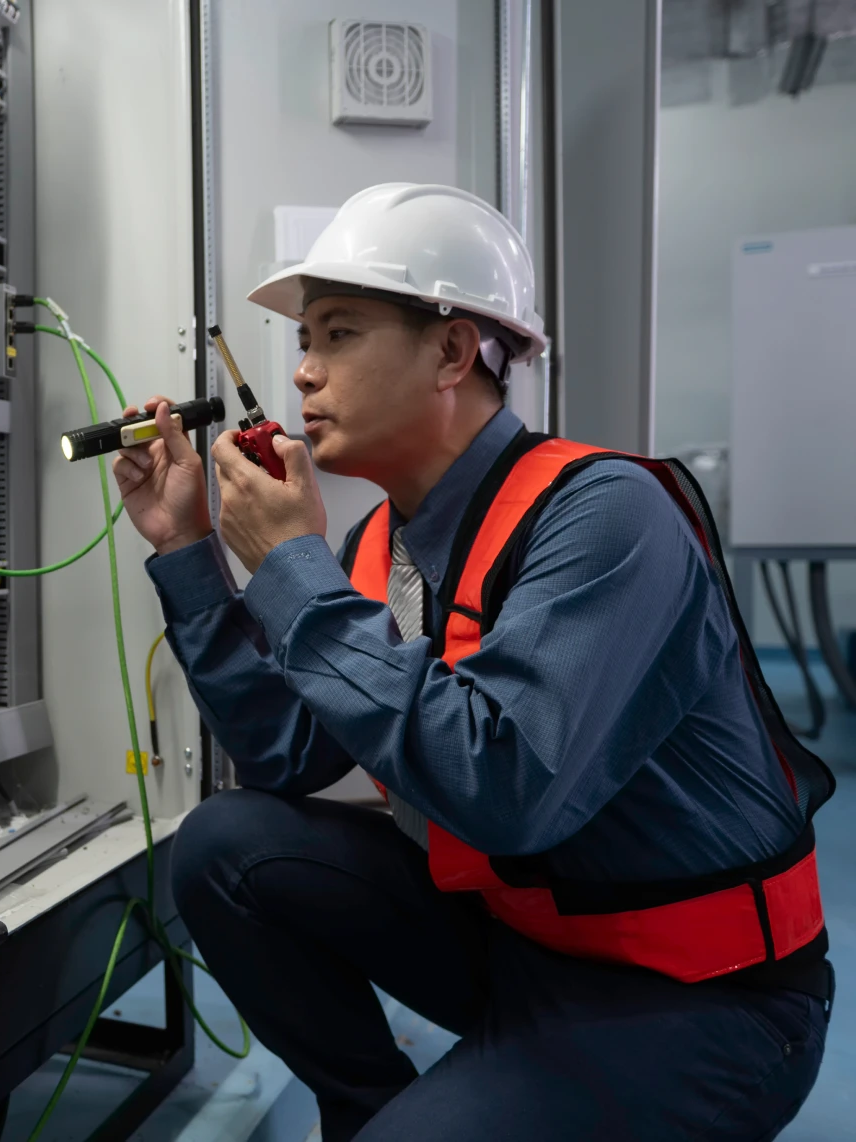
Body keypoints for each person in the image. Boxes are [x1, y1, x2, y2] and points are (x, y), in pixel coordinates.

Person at [112, 183, 834, 1141]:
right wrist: (185, 553)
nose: (303, 377)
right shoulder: (382, 545)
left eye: (338, 334)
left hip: (704, 999)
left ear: (453, 351)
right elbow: (289, 754)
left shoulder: (606, 513)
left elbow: (504, 786)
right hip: (528, 948)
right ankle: (370, 1112)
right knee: (224, 845)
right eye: (303, 343)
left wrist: (290, 569)